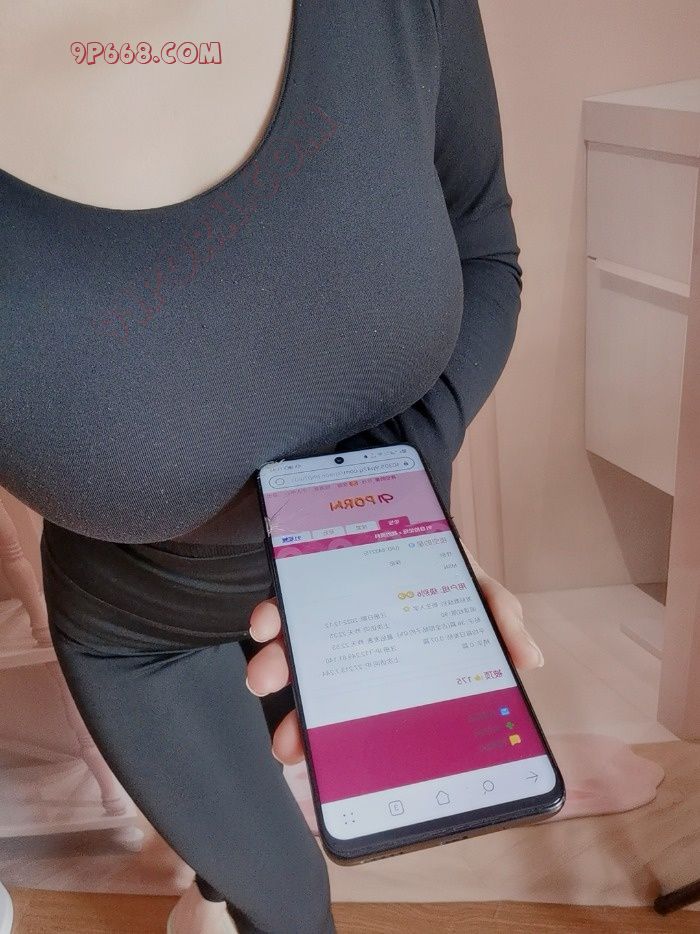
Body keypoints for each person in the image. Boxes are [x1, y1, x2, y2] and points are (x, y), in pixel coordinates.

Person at [0, 1, 545, 931]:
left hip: (363, 588)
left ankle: (209, 889)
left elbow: (482, 242)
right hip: (146, 636)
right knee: (288, 905)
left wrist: (383, 504)